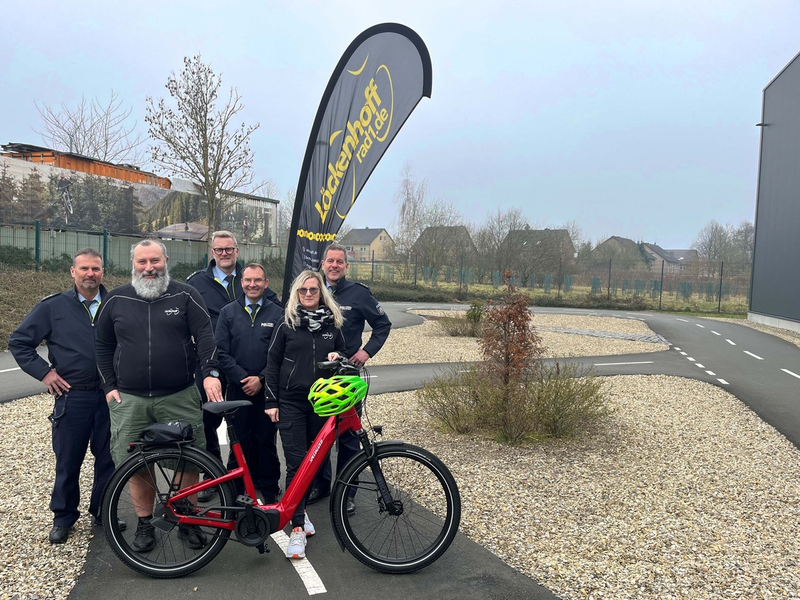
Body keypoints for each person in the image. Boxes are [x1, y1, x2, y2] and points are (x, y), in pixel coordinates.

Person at [95, 239, 223, 553]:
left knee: (186, 461)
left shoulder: (186, 295)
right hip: (129, 400)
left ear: (166, 260)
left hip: (178, 395)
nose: (149, 268)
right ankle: (144, 524)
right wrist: (109, 386)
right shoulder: (115, 299)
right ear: (133, 264)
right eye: (142, 262)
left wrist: (209, 374)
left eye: (155, 260)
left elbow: (205, 338)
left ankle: (186, 520)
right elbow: (101, 346)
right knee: (135, 465)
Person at [9, 248, 118, 544]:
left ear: (102, 272)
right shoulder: (53, 307)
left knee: (109, 459)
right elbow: (19, 342)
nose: (90, 274)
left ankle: (103, 512)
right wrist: (45, 373)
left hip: (110, 397)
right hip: (73, 396)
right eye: (84, 268)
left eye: (95, 268)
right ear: (73, 272)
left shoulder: (117, 303)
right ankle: (63, 517)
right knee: (68, 460)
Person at [263, 270, 346, 560]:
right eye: (303, 290)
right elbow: (271, 365)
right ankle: (297, 527)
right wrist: (271, 402)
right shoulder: (286, 324)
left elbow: (343, 356)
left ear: (321, 292)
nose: (308, 294)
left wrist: (339, 358)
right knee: (297, 463)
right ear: (296, 294)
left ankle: (300, 507)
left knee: (315, 462)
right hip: (291, 402)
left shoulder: (333, 325)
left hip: (322, 404)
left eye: (313, 290)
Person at [187, 230, 280, 487]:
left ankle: (258, 479)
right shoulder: (196, 282)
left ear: (237, 251)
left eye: (229, 249)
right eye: (219, 250)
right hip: (212, 363)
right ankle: (214, 476)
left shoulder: (252, 279)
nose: (224, 253)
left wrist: (259, 376)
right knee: (207, 421)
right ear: (212, 252)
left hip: (248, 367)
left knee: (254, 428)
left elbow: (276, 318)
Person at [309, 243, 392, 513]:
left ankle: (347, 492)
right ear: (322, 264)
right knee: (318, 434)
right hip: (315, 374)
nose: (334, 265)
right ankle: (321, 486)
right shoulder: (310, 290)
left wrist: (365, 352)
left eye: (339, 261)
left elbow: (382, 325)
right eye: (330, 261)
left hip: (346, 375)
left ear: (346, 266)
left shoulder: (359, 294)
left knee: (347, 436)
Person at [215, 263, 283, 503]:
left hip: (267, 389)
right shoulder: (228, 312)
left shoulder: (278, 313)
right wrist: (243, 379)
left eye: (258, 280)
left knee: (266, 439)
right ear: (241, 283)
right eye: (248, 280)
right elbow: (221, 352)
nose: (252, 285)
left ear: (266, 283)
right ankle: (236, 488)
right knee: (239, 439)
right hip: (237, 388)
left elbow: (281, 353)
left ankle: (270, 486)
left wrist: (261, 378)